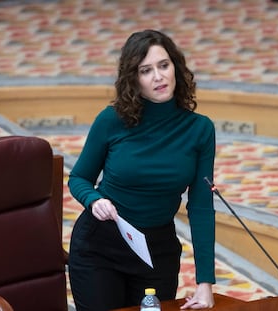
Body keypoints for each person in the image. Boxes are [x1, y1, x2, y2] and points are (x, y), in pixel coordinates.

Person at [68, 29, 216, 311]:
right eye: (146, 71)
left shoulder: (200, 129)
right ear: (134, 79)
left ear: (176, 67)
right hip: (101, 246)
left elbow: (201, 207)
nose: (158, 77)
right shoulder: (112, 120)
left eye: (163, 65)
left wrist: (205, 283)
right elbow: (79, 178)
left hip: (156, 251)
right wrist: (94, 200)